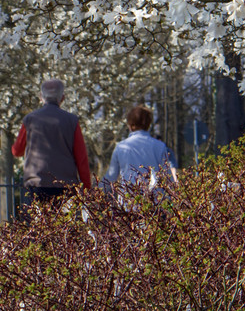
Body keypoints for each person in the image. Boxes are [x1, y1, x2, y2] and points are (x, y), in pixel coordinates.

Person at [10, 78, 93, 214]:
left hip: (37, 183)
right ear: (63, 98)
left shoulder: (30, 120)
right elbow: (81, 157)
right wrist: (86, 186)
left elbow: (17, 151)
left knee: (40, 227)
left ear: (41, 97)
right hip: (65, 185)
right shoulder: (72, 121)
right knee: (64, 227)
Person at [107, 104, 178, 191]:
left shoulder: (121, 147)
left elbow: (110, 177)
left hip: (128, 199)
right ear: (148, 124)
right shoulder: (159, 146)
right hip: (154, 200)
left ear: (130, 124)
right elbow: (167, 178)